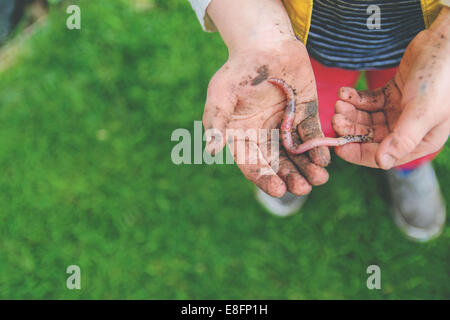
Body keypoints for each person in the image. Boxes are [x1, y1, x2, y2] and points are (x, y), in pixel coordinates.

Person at [188, 0, 449, 242]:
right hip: (306, 42)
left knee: (406, 123)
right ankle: (299, 164)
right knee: (310, 115)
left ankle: (408, 167)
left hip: (421, 46)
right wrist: (253, 32)